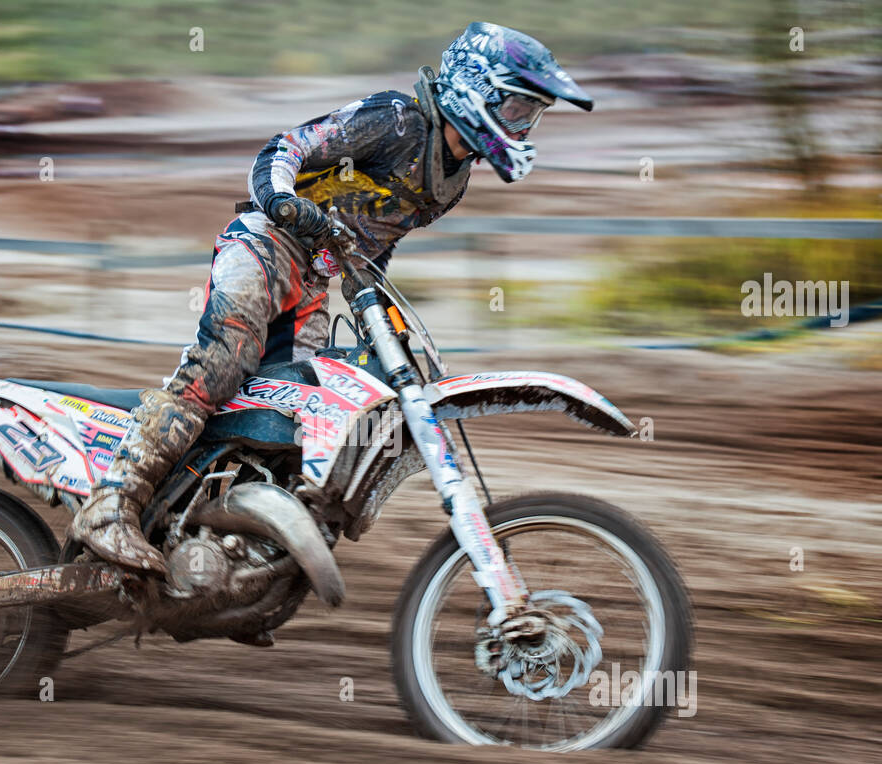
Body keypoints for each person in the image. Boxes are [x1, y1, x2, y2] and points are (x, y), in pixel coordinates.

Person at [72, 21, 594, 572]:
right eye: (516, 109)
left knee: (288, 416)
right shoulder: (397, 120)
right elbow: (285, 146)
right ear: (476, 88)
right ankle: (111, 505)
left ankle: (231, 555)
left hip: (313, 286)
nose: (522, 125)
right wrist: (280, 201)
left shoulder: (453, 179)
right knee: (220, 369)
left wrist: (381, 320)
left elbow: (373, 247)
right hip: (266, 246)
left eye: (530, 115)